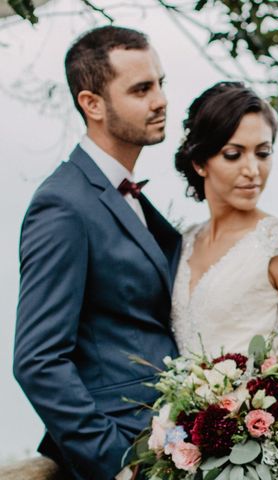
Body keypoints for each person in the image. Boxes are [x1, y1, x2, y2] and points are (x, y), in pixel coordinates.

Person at [13, 26, 181, 480]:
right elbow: (38, 360)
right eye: (141, 89)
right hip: (125, 452)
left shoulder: (125, 196)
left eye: (161, 83)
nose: (161, 100)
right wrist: (117, 465)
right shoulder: (63, 204)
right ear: (92, 104)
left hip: (169, 445)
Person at [172, 81, 278, 477]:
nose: (252, 170)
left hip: (258, 461)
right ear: (200, 162)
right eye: (233, 154)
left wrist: (259, 421)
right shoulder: (181, 243)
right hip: (187, 456)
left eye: (263, 153)